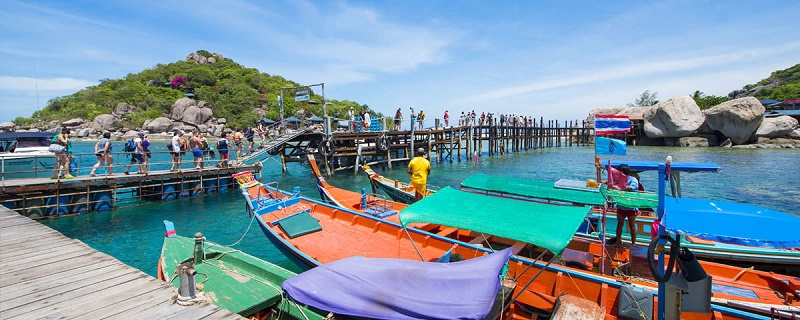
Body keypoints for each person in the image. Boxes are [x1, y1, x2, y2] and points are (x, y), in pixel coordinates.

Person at [609, 164, 640, 246]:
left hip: (631, 207)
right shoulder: (618, 179)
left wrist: (621, 187)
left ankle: (633, 244)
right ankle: (617, 242)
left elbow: (633, 187)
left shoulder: (633, 179)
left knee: (632, 226)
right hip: (621, 206)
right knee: (619, 224)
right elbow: (612, 183)